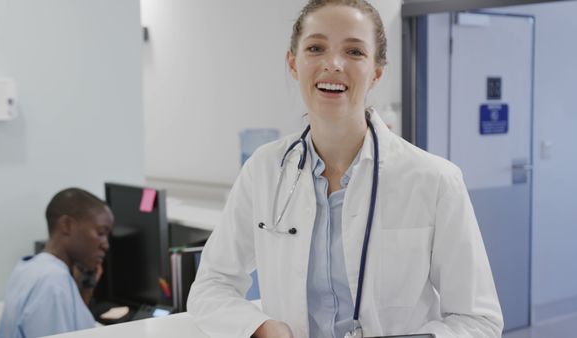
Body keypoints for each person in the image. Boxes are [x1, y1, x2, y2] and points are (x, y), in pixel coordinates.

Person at [187, 0, 503, 337]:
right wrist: (262, 328)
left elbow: (478, 321)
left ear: (376, 72)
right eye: (316, 47)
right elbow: (211, 285)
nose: (333, 64)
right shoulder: (263, 170)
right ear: (294, 64)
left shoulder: (435, 180)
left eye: (354, 52)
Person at [0, 188, 114, 338]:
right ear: (66, 225)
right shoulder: (53, 283)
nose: (106, 245)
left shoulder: (29, 267)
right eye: (100, 233)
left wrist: (84, 292)